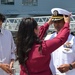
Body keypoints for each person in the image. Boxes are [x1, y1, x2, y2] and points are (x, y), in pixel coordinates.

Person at [45, 8, 75, 75]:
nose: (56, 24)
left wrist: (70, 66)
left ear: (65, 22)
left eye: (59, 22)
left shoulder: (73, 39)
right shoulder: (49, 37)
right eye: (55, 22)